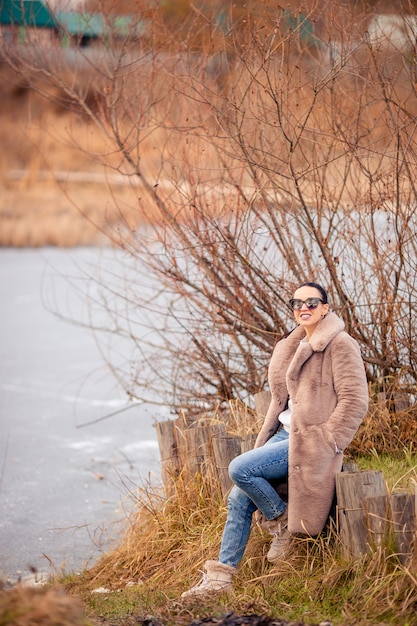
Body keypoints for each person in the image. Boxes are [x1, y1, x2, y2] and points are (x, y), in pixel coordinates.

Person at [181, 281, 369, 599]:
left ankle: (279, 520)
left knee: (240, 468)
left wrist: (328, 439)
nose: (304, 308)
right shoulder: (291, 345)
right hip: (282, 435)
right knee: (238, 499)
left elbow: (355, 400)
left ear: (325, 307)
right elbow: (282, 401)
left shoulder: (340, 344)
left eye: (312, 302)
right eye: (296, 303)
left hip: (310, 441)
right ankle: (220, 581)